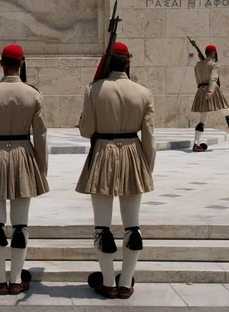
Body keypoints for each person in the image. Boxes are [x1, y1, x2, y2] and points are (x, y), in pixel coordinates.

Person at [76, 42, 155, 300]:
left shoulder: (93, 90)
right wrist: (146, 169)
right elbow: (149, 139)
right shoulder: (144, 92)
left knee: (103, 226)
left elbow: (87, 130)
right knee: (133, 225)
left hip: (103, 153)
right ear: (128, 63)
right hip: (133, 155)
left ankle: (108, 282)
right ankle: (126, 282)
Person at [0, 44, 49, 295]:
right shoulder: (33, 94)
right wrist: (41, 170)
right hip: (24, 156)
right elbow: (41, 136)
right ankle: (16, 279)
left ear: (2, 64)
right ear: (22, 64)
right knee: (20, 225)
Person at [191, 44, 229, 152]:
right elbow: (213, 79)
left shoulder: (197, 65)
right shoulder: (214, 65)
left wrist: (202, 89)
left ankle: (196, 144)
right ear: (213, 53)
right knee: (226, 110)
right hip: (212, 90)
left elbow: (197, 79)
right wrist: (211, 91)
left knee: (202, 120)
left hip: (201, 90)